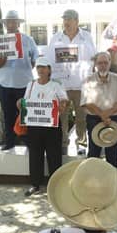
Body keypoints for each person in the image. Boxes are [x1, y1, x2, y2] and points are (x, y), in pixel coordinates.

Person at [47, 9, 97, 153]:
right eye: (64, 19)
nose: (66, 22)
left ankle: (81, 143)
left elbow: (93, 59)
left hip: (81, 85)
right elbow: (49, 60)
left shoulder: (87, 37)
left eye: (69, 19)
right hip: (61, 86)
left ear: (77, 21)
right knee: (61, 116)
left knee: (81, 117)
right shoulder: (56, 38)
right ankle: (63, 144)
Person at [0, 10, 38, 151]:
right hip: (5, 84)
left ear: (18, 23)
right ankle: (10, 142)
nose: (11, 24)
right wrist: (1, 61)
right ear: (5, 24)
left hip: (24, 84)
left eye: (14, 21)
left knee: (27, 115)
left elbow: (35, 60)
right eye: (8, 22)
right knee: (8, 114)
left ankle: (29, 142)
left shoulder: (28, 40)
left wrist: (30, 61)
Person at [23, 57, 68, 196]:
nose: (40, 70)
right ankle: (35, 184)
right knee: (35, 155)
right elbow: (25, 101)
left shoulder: (56, 84)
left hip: (52, 126)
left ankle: (54, 186)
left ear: (49, 69)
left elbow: (64, 99)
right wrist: (20, 103)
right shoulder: (30, 85)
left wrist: (63, 104)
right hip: (34, 125)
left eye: (43, 67)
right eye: (38, 67)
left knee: (54, 156)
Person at [81, 52, 117, 168]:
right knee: (93, 153)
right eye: (100, 63)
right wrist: (102, 115)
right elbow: (87, 102)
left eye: (106, 62)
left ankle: (113, 180)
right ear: (95, 64)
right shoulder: (89, 80)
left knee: (112, 153)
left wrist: (107, 114)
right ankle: (91, 181)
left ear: (110, 63)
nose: (103, 65)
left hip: (114, 119)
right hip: (94, 119)